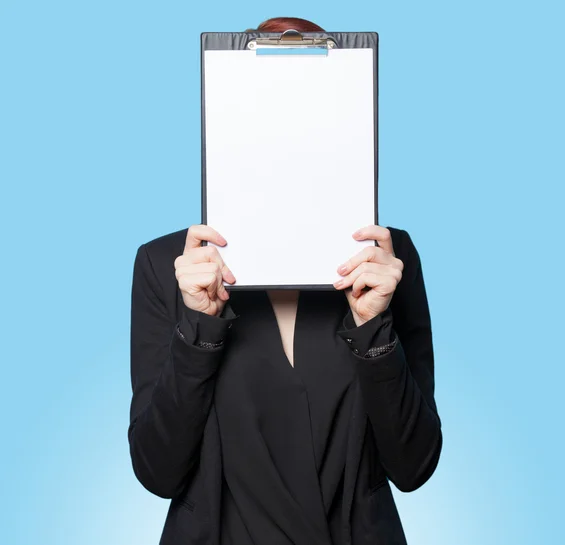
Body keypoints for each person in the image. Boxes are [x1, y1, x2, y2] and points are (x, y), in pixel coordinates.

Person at [128, 16, 442, 545]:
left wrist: (374, 328)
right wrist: (197, 328)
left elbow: (413, 466)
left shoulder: (386, 260)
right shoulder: (167, 264)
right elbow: (156, 471)